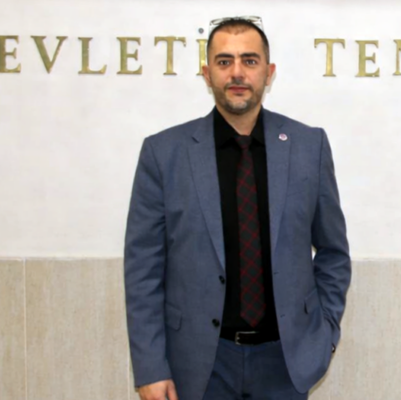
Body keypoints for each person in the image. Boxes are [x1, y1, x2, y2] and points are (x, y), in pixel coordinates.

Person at [124, 16, 351, 400]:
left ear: (269, 72)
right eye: (224, 61)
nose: (237, 73)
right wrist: (150, 367)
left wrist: (322, 335)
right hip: (199, 366)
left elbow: (333, 252)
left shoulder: (308, 146)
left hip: (286, 363)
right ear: (207, 73)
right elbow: (142, 270)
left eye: (249, 60)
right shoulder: (163, 154)